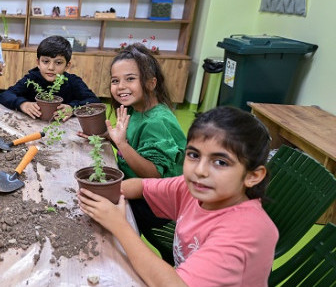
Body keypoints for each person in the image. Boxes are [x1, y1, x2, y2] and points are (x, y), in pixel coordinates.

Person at [79, 106, 278, 286]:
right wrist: (99, 194)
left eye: (220, 162)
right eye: (194, 155)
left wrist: (119, 225)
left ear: (253, 176)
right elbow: (140, 186)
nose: (200, 170)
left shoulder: (246, 231)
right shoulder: (195, 189)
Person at [102, 43, 187, 261]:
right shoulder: (135, 109)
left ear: (151, 83)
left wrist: (122, 145)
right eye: (115, 80)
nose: (121, 86)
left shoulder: (157, 121)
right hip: (140, 190)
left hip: (158, 205)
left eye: (130, 79)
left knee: (103, 226)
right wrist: (109, 138)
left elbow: (154, 174)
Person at [0, 35, 99, 119]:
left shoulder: (73, 81)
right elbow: (5, 95)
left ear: (67, 65)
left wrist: (72, 108)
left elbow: (94, 101)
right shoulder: (31, 79)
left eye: (58, 63)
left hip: (63, 129)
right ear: (38, 62)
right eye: (45, 61)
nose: (51, 68)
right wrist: (22, 104)